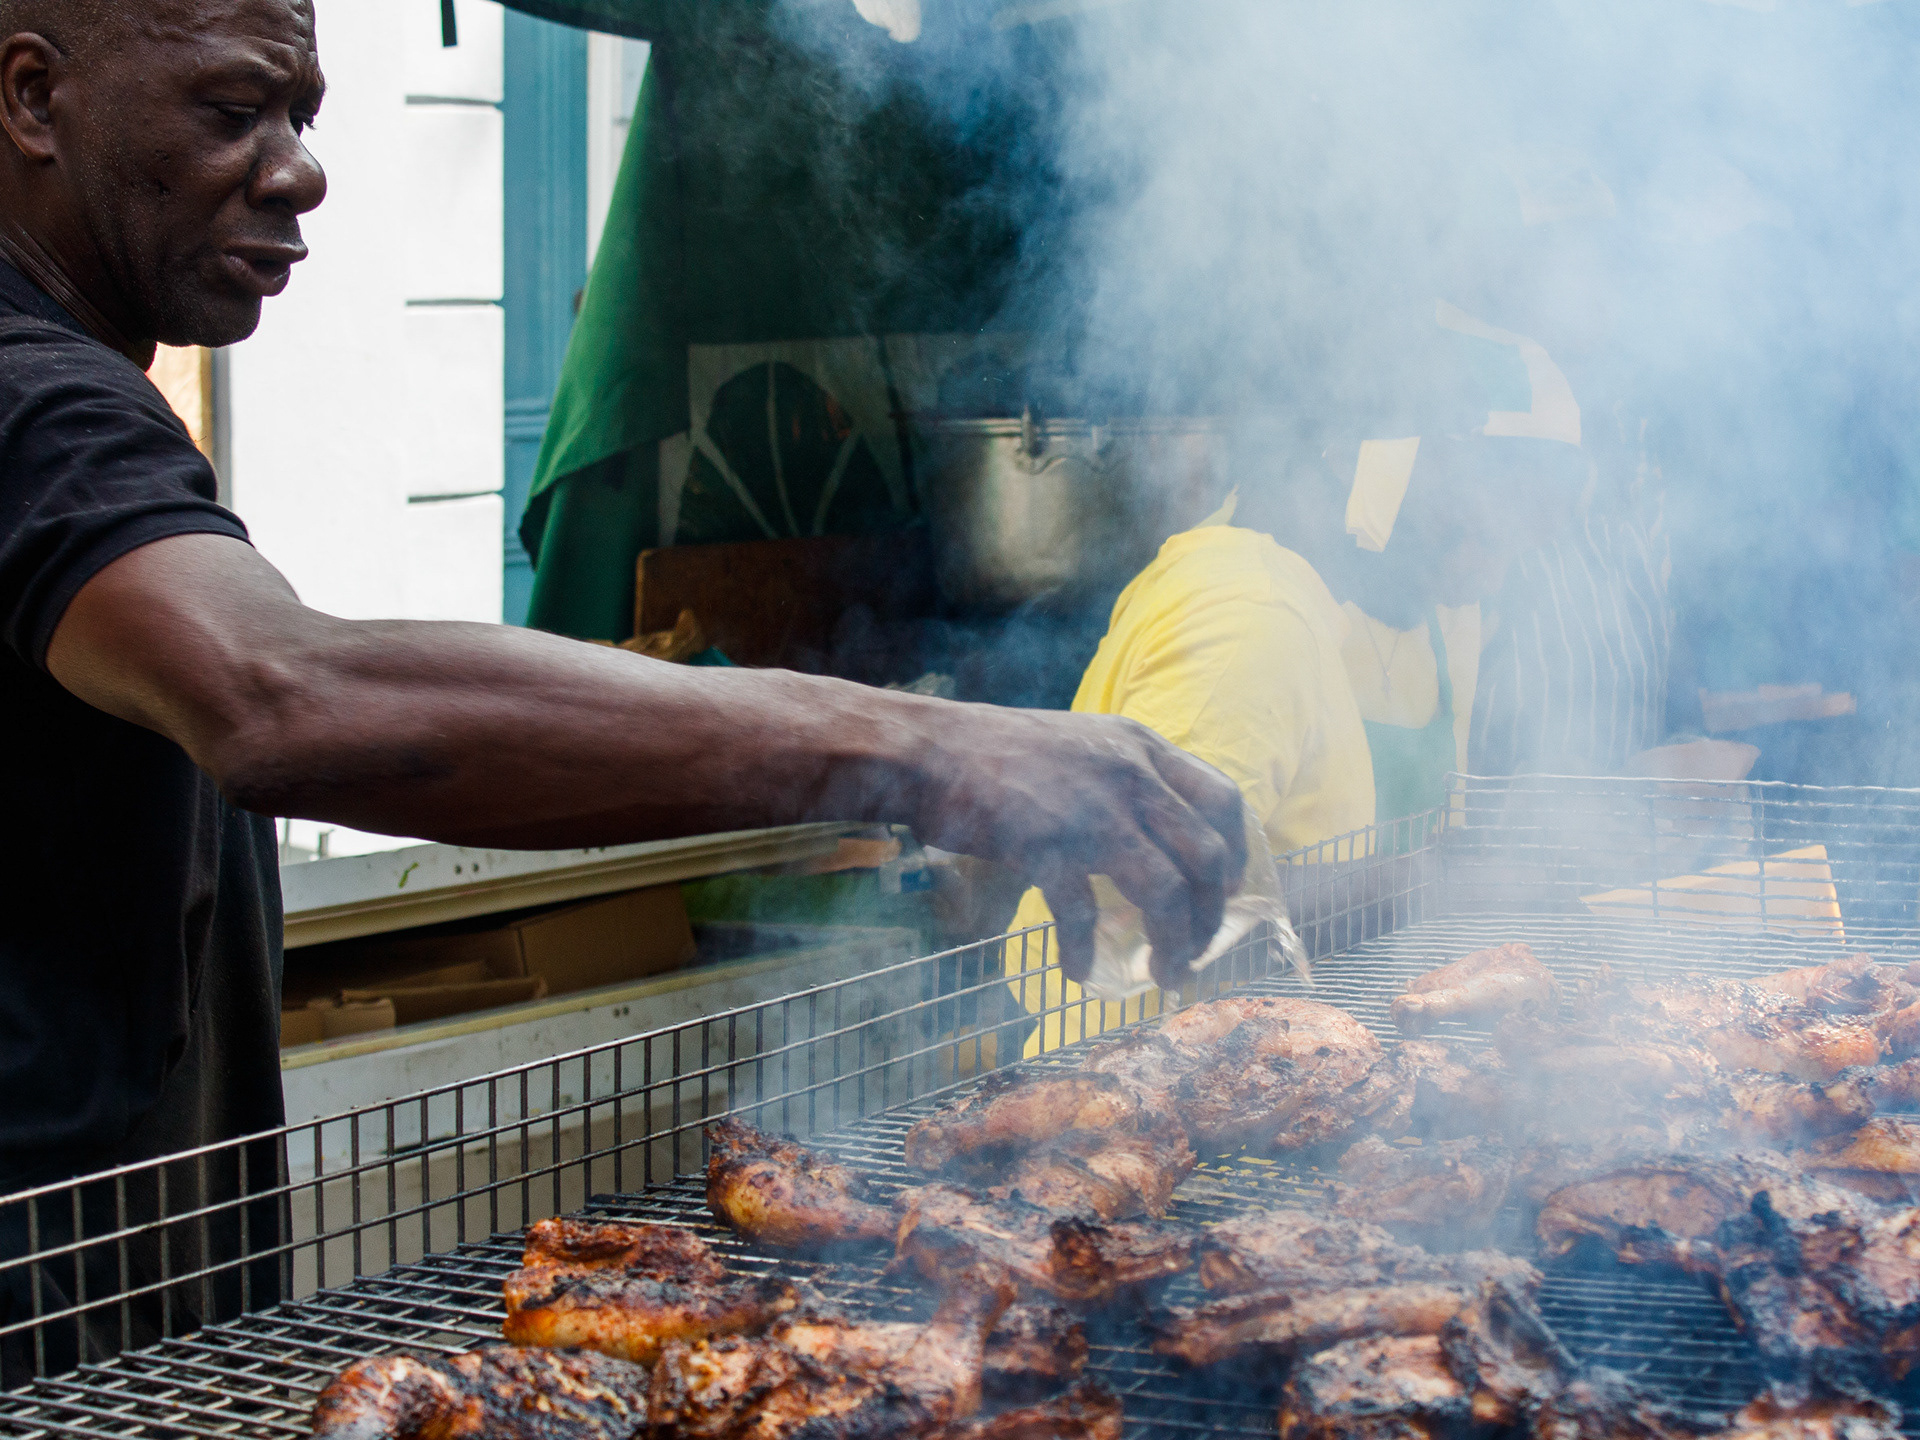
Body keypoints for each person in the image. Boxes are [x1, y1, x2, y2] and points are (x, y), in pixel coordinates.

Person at [0, 0, 1248, 1308]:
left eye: (301, 116)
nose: (301, 170)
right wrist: (926, 751)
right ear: (33, 98)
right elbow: (279, 695)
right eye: (231, 111)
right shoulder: (37, 402)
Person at [1003, 424, 1578, 1055]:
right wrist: (1430, 882)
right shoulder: (1250, 621)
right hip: (1133, 1066)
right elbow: (1156, 908)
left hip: (1253, 1056)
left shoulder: (1306, 600)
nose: (1489, 582)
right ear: (1349, 461)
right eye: (1479, 532)